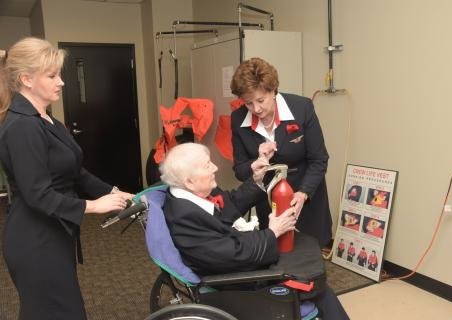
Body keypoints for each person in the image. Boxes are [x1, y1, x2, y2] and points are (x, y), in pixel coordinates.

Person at [0, 37, 132, 320]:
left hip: (55, 233)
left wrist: (116, 192)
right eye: (52, 76)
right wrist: (94, 206)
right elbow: (38, 194)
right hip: (34, 240)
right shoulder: (22, 127)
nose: (61, 82)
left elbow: (76, 172)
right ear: (26, 79)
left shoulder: (47, 120)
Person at [160, 142, 349, 320]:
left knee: (305, 255)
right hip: (234, 282)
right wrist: (273, 231)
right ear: (189, 182)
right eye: (207, 165)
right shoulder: (185, 217)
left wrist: (257, 179)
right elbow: (233, 254)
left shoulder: (190, 196)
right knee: (318, 289)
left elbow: (230, 203)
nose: (215, 168)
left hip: (234, 259)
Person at [230, 57, 332, 247]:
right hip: (268, 205)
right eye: (248, 103)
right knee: (275, 262)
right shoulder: (238, 120)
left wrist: (303, 194)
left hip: (305, 199)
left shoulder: (302, 108)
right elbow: (239, 170)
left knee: (310, 263)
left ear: (273, 90)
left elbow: (319, 160)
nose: (256, 109)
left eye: (261, 100)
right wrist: (256, 163)